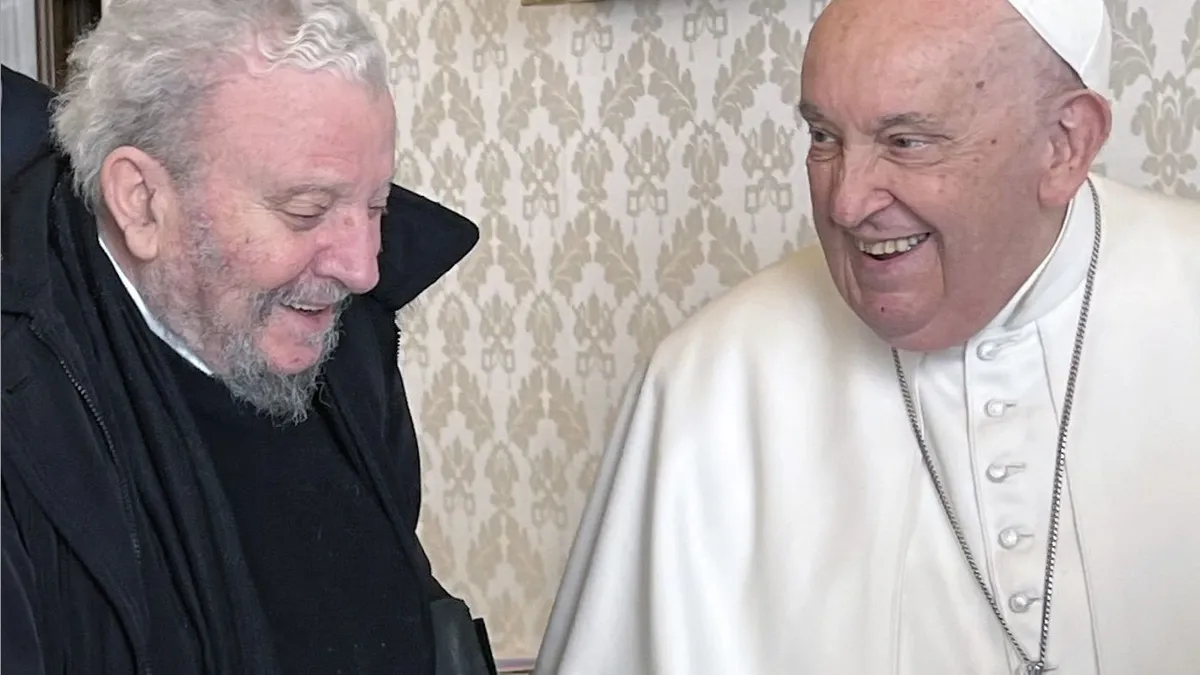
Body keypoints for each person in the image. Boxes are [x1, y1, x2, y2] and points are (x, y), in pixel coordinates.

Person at [533, 0, 1200, 673]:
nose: (846, 203)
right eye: (824, 137)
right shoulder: (711, 380)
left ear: (1064, 144)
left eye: (906, 141)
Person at [1, 1, 498, 674]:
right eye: (307, 211)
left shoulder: (347, 342)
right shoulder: (22, 414)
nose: (362, 268)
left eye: (375, 205)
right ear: (141, 201)